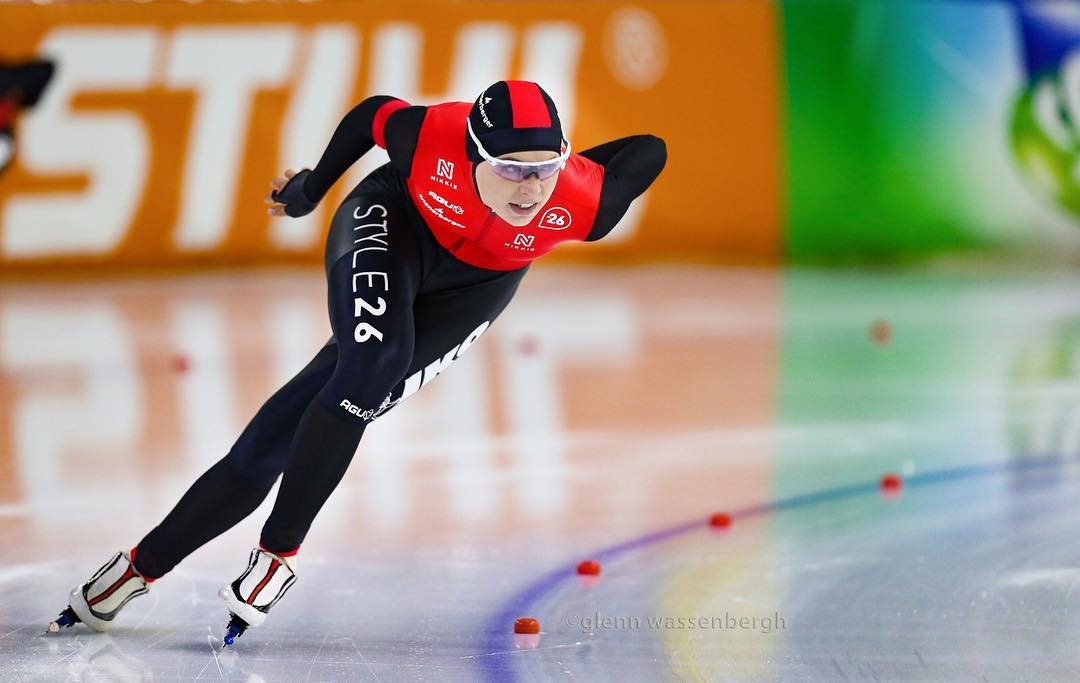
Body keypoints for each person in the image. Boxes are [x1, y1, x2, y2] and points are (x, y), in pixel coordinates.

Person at [48, 80, 667, 644]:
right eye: (510, 169)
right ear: (473, 153)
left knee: (300, 425)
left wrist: (563, 164)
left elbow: (651, 150)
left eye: (544, 169)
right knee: (375, 364)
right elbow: (373, 115)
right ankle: (279, 555)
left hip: (476, 288)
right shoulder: (432, 135)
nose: (530, 190)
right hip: (393, 224)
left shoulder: (584, 201)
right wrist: (311, 189)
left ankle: (137, 569)